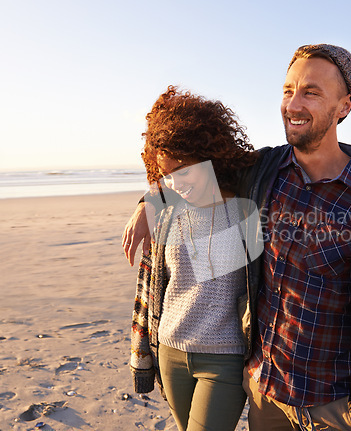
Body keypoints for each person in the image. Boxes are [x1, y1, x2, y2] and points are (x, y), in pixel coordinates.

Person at [123, 44, 351, 431]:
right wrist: (149, 200)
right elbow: (190, 167)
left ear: (344, 106)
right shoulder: (262, 172)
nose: (294, 104)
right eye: (288, 90)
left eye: (311, 92)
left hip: (334, 404)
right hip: (265, 393)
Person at [129, 86, 259, 431]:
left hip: (224, 358)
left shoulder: (249, 206)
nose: (175, 182)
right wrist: (149, 200)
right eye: (166, 174)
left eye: (183, 170)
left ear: (210, 154)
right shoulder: (168, 209)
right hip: (169, 351)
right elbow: (159, 286)